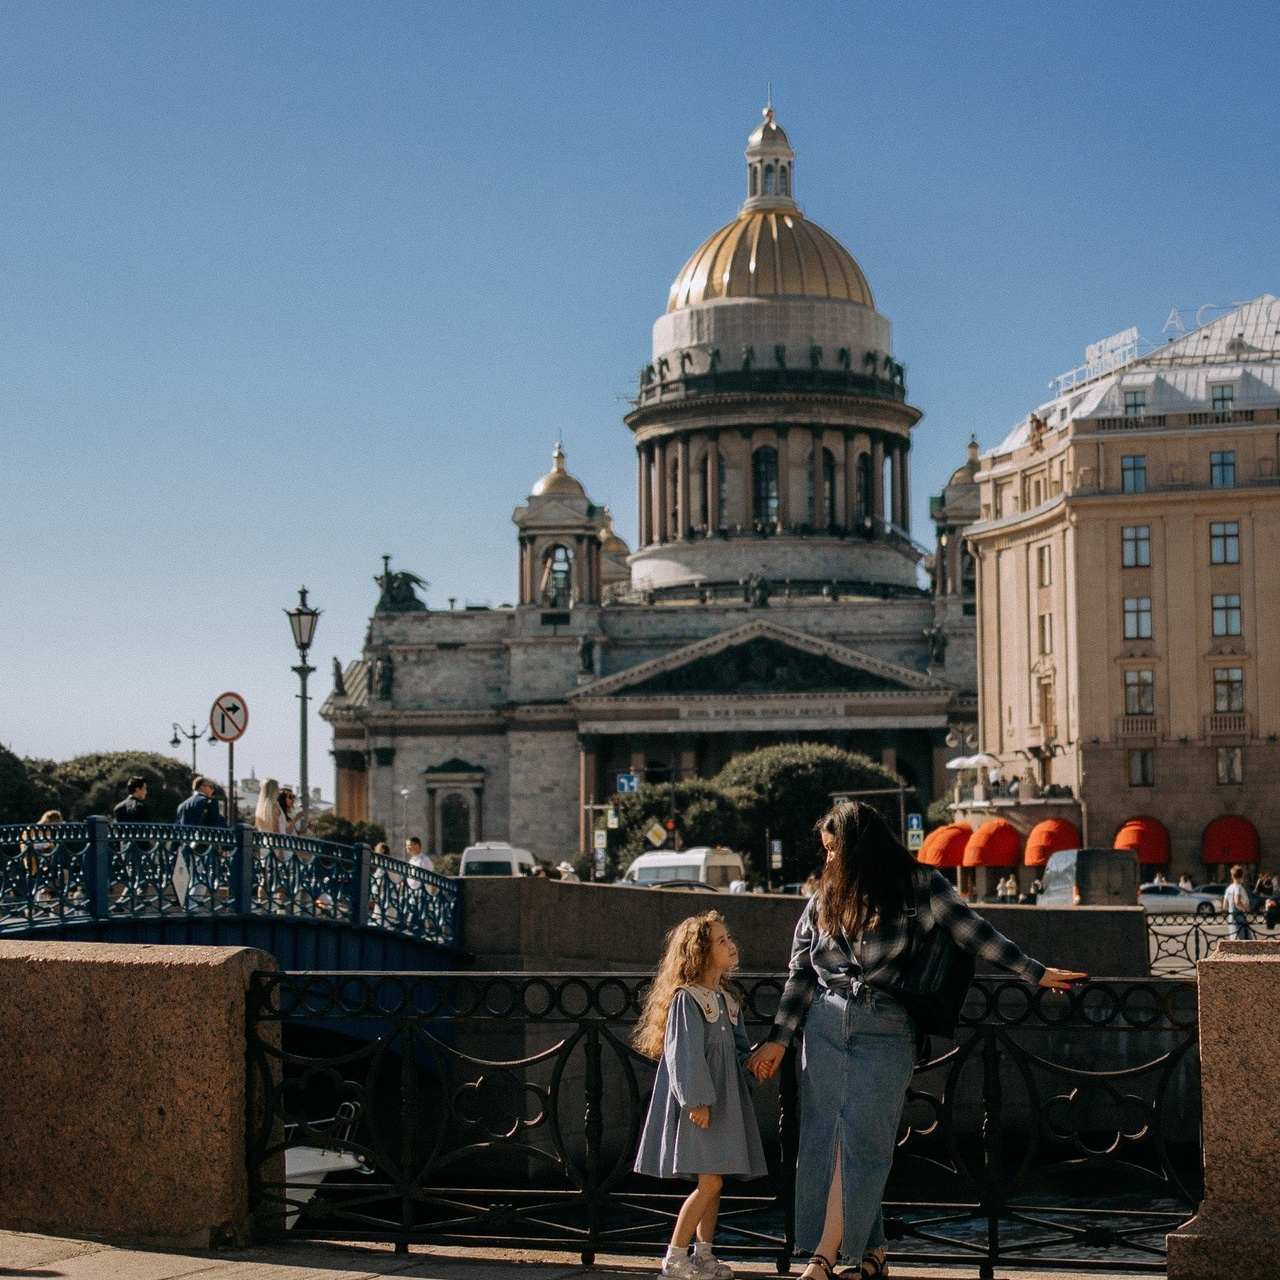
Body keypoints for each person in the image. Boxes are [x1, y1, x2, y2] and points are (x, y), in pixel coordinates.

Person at [746, 802, 1083, 1280]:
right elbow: (801, 972)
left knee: (865, 1139)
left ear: (858, 847)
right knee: (829, 1139)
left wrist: (1036, 973)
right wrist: (779, 1040)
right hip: (823, 1026)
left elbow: (977, 934)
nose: (827, 861)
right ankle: (871, 1251)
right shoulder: (823, 898)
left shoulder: (921, 886)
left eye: (832, 850)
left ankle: (825, 1255)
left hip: (885, 1026)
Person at [633, 911, 766, 1279]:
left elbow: (737, 1052)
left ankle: (703, 1254)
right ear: (701, 953)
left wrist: (752, 1065)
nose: (730, 944)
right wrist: (696, 1100)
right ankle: (675, 1256)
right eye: (721, 941)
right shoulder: (687, 999)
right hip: (704, 1105)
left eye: (728, 938)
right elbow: (684, 1054)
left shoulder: (725, 999)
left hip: (723, 1102)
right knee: (711, 1182)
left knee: (715, 1180)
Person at [1223, 864, 1253, 941]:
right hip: (1239, 917)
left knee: (1234, 940)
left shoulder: (1229, 888)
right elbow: (1237, 901)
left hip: (1231, 917)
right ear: (1242, 876)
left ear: (1232, 876)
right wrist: (1246, 909)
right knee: (1244, 940)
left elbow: (1225, 905)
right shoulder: (1238, 887)